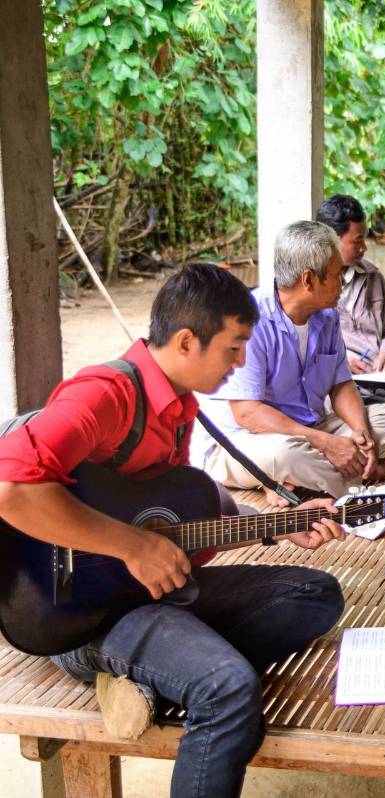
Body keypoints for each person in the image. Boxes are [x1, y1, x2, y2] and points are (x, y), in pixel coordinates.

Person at [0, 264, 347, 797]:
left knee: (314, 593)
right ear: (188, 341)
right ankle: (175, 670)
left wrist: (276, 526)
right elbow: (12, 490)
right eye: (234, 347)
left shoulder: (179, 407)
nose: (240, 362)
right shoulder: (105, 394)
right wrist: (133, 545)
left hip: (144, 591)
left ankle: (150, 679)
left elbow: (170, 520)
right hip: (73, 611)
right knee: (228, 688)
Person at [196, 221, 385, 501]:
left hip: (308, 428)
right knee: (286, 455)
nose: (343, 282)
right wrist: (326, 443)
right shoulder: (251, 321)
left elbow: (341, 385)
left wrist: (359, 431)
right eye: (337, 274)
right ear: (308, 280)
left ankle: (293, 480)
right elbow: (247, 413)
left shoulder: (326, 316)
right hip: (245, 440)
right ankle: (372, 473)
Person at [316, 194, 385, 373]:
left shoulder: (373, 277)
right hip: (334, 384)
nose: (364, 247)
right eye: (357, 241)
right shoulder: (310, 285)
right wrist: (338, 363)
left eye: (364, 239)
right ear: (330, 241)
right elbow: (298, 348)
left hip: (379, 379)